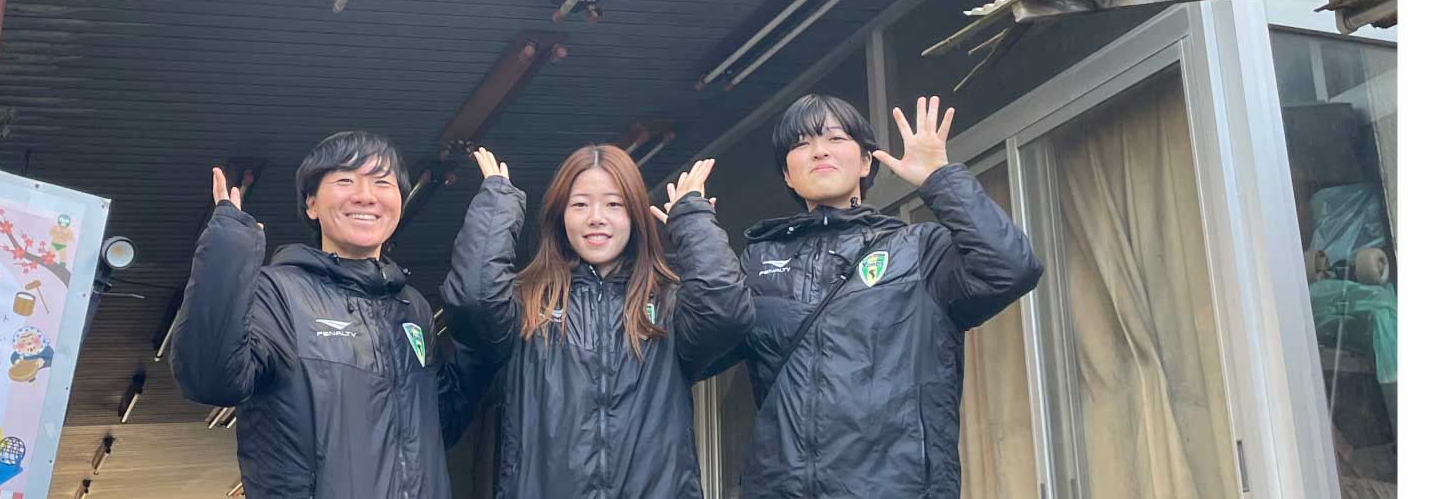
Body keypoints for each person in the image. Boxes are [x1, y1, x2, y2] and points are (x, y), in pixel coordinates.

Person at [714, 93, 1043, 499]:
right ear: (787, 175)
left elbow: (1011, 268)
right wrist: (696, 236)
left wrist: (940, 179)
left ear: (866, 161)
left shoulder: (919, 250)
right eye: (801, 144)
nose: (819, 151)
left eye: (835, 138)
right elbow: (699, 344)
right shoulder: (759, 262)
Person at [169, 131, 504, 499]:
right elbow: (210, 379)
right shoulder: (277, 293)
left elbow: (442, 425)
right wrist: (227, 250)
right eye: (346, 180)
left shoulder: (412, 308)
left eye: (382, 182)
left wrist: (483, 332)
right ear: (311, 204)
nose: (366, 195)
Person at [442, 144, 752, 499]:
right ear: (560, 215)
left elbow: (727, 312)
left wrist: (692, 219)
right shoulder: (526, 304)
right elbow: (473, 300)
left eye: (614, 204)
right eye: (579, 204)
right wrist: (498, 204)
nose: (596, 217)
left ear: (635, 214)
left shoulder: (668, 304)